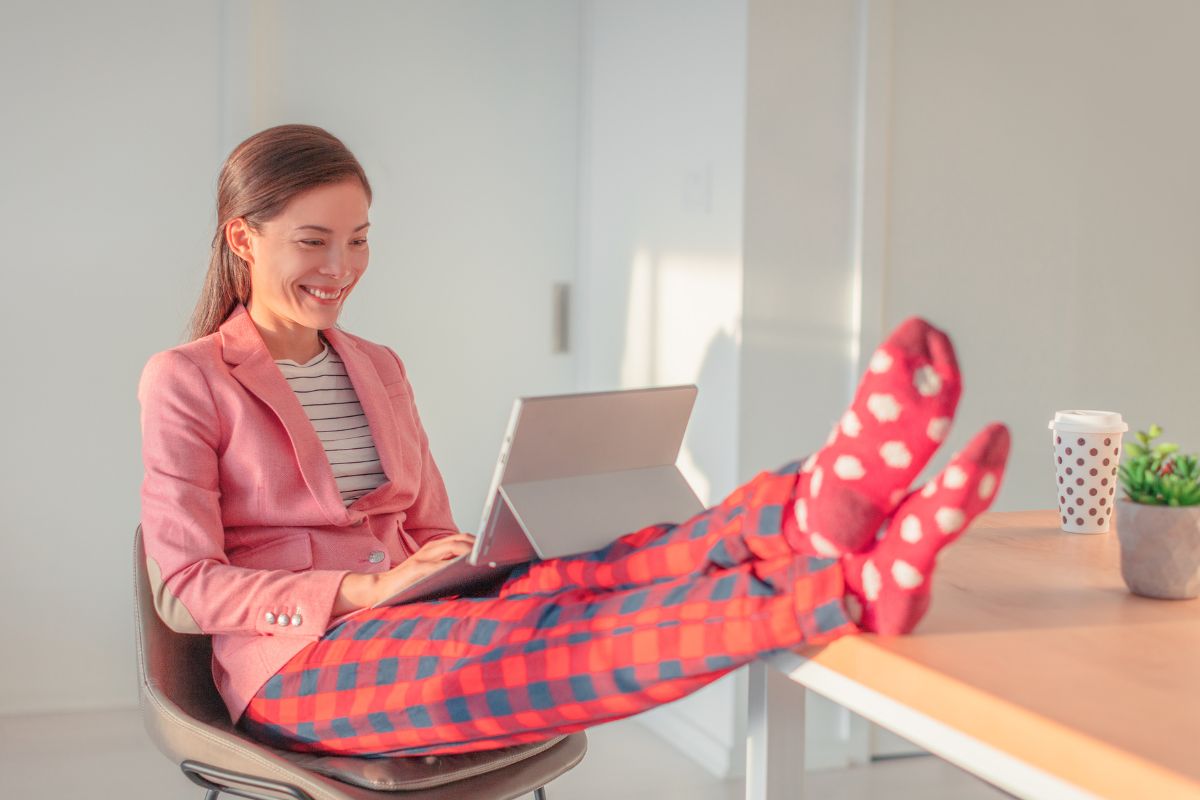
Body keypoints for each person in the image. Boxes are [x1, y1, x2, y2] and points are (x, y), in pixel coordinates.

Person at [138, 123, 1011, 759]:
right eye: (314, 242)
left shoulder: (379, 365)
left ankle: (810, 510)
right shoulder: (187, 378)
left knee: (595, 567)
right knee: (542, 642)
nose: (342, 267)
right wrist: (362, 589)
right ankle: (843, 587)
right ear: (244, 239)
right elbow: (184, 588)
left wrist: (458, 562)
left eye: (360, 240)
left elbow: (432, 523)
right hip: (297, 664)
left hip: (414, 609)